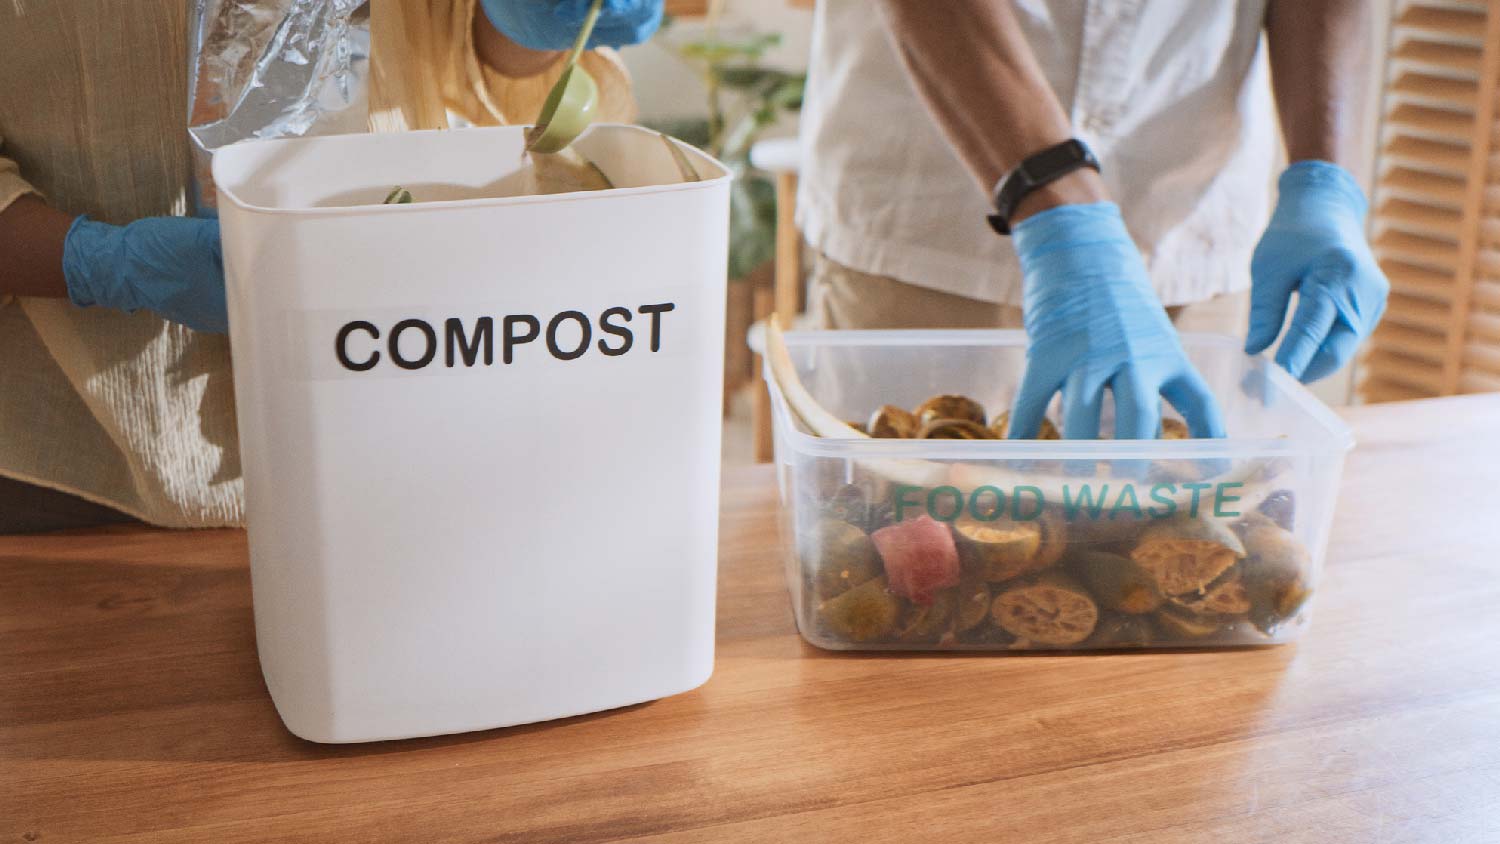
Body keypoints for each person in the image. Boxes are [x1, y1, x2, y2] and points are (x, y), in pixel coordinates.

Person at [0, 0, 663, 533]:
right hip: (85, 461)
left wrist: (533, 23)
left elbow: (459, 46)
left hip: (395, 423)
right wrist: (100, 263)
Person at [798, 0, 1389, 439]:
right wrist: (1062, 217)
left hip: (1192, 213)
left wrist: (1325, 182)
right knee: (893, 535)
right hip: (928, 204)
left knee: (1171, 537)